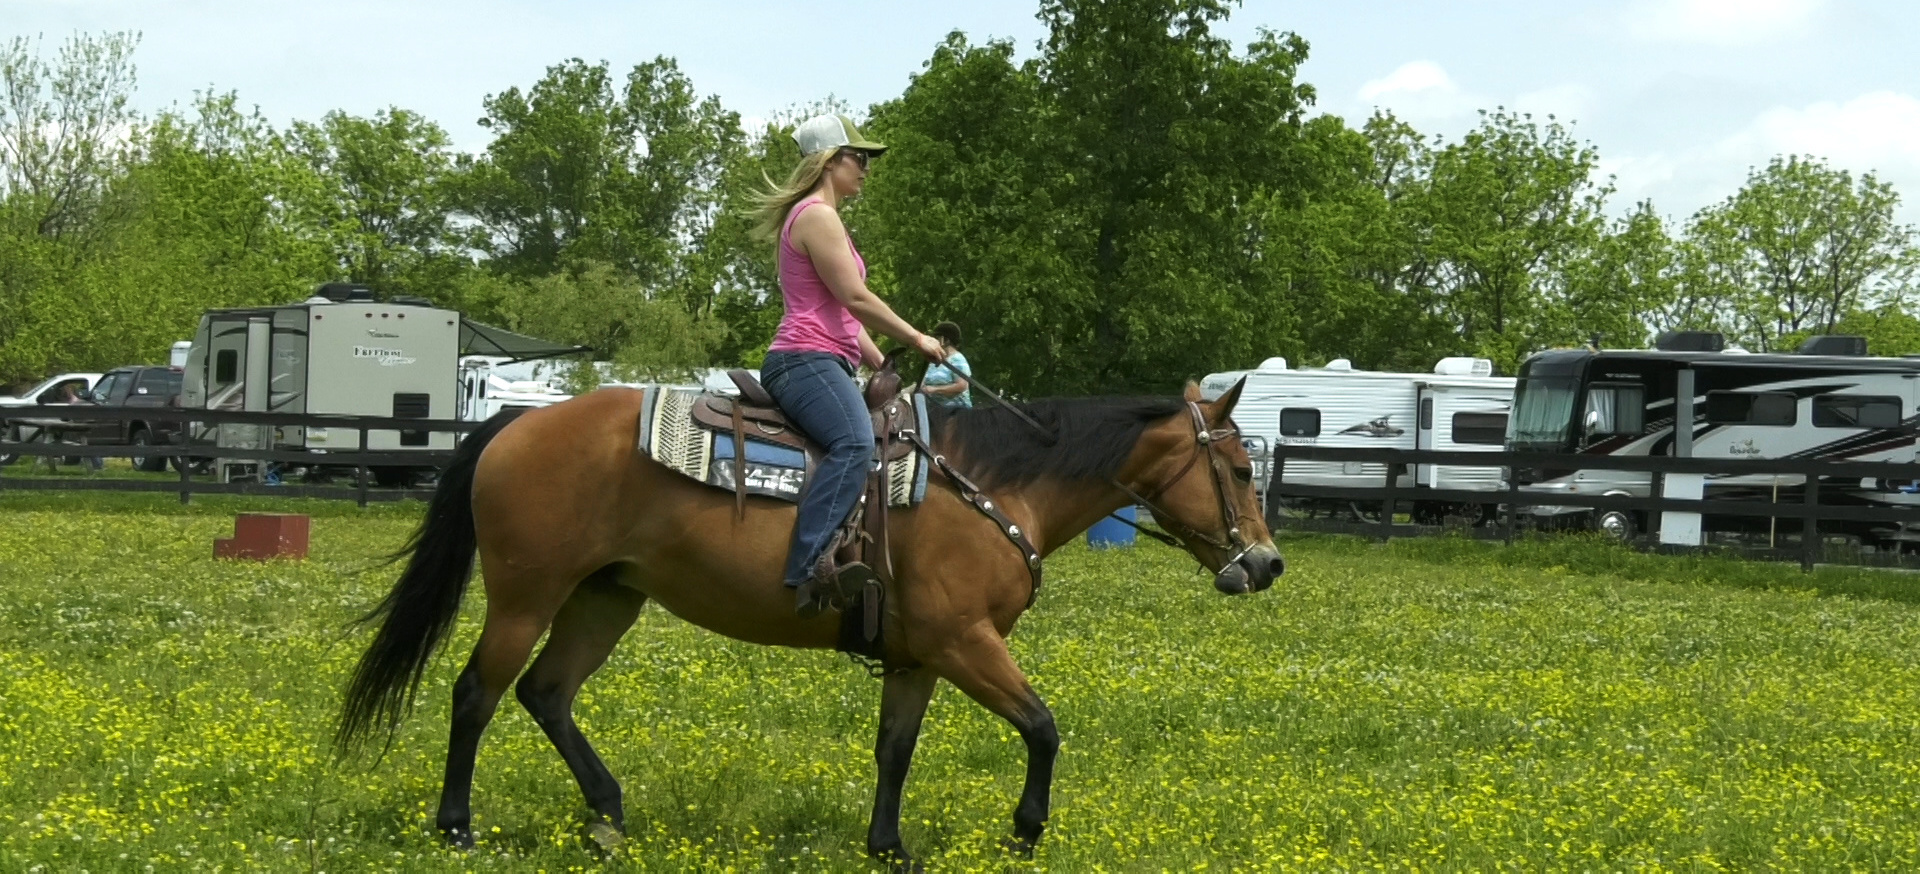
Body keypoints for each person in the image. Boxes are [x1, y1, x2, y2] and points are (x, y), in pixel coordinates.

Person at [751, 113, 946, 617]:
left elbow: (840, 310)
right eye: (859, 158)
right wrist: (917, 337)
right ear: (830, 160)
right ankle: (811, 567)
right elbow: (857, 299)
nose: (865, 169)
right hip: (804, 360)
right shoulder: (817, 216)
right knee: (855, 442)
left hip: (822, 358)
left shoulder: (822, 217)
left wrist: (883, 362)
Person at [919, 321, 972, 408]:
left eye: (936, 338)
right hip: (935, 411)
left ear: (946, 340)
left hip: (957, 413)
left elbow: (962, 386)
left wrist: (934, 390)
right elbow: (922, 384)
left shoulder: (958, 359)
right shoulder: (934, 360)